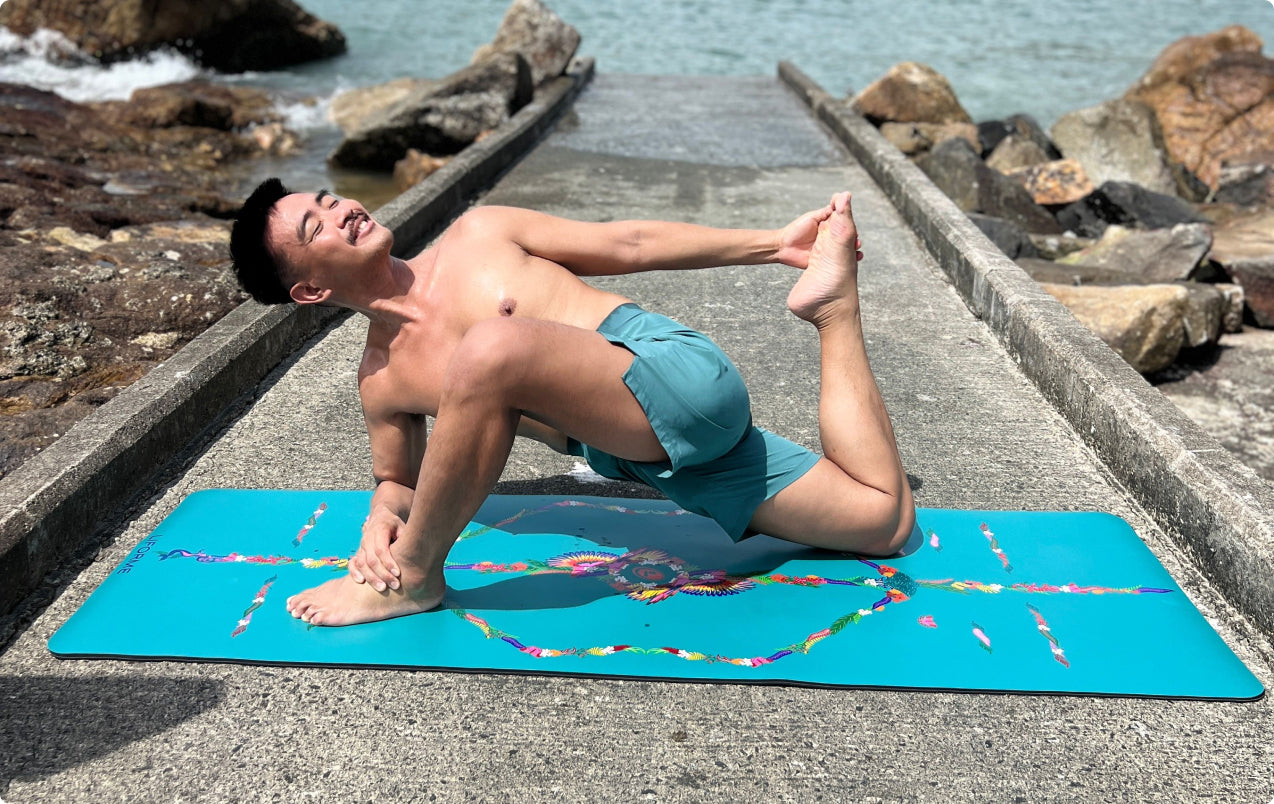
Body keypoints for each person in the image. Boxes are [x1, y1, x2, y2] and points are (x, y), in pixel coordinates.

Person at [229, 180, 915, 626]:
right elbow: (399, 480)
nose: (340, 209)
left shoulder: (478, 235)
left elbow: (629, 242)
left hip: (670, 373)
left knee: (491, 349)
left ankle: (414, 578)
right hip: (647, 455)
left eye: (327, 196)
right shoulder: (382, 379)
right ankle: (836, 308)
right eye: (315, 226)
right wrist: (380, 521)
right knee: (882, 520)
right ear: (310, 291)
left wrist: (774, 245)